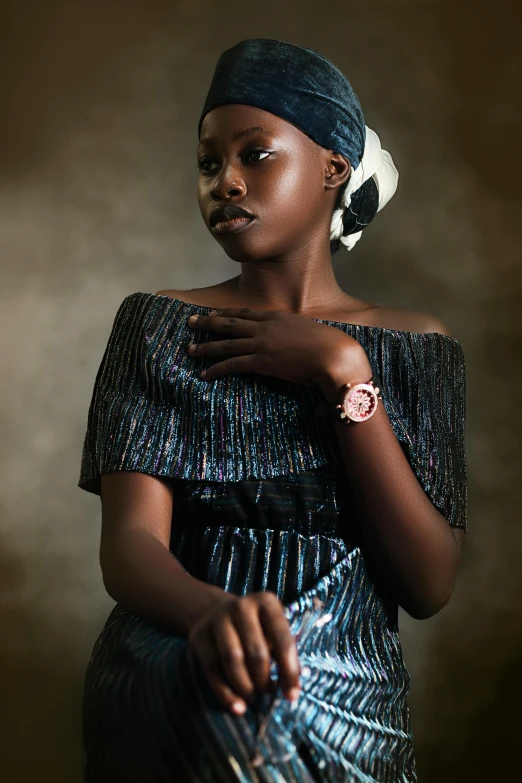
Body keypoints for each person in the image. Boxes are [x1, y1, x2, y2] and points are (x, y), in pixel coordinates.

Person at [78, 38, 467, 783]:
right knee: (238, 709)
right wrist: (208, 615)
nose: (225, 181)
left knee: (281, 706)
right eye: (207, 162)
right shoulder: (158, 325)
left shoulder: (416, 346)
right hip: (176, 663)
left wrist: (341, 370)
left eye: (255, 155)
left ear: (333, 168)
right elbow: (128, 547)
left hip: (352, 687)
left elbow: (428, 583)